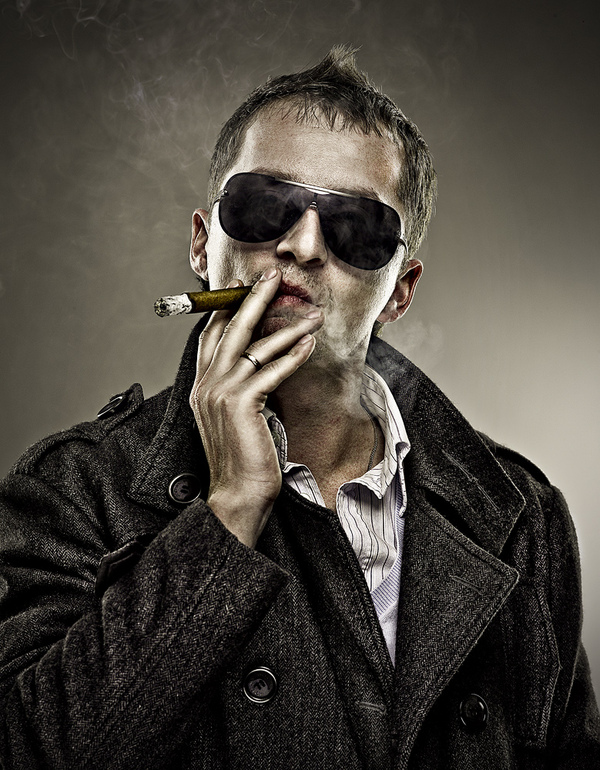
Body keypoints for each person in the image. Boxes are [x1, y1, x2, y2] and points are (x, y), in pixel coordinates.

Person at [0, 46, 598, 769]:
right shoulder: (75, 490)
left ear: (400, 291)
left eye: (356, 227)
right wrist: (228, 512)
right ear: (202, 246)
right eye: (265, 205)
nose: (303, 245)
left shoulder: (522, 517)